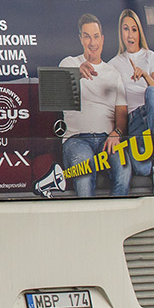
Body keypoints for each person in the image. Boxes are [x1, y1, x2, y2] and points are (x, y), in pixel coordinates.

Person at [60, 14, 130, 197]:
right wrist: (76, 74)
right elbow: (57, 85)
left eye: (96, 36)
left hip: (107, 140)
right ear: (80, 39)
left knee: (124, 169)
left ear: (102, 39)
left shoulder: (113, 73)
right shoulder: (68, 63)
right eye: (87, 36)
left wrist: (118, 133)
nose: (93, 42)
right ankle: (86, 224)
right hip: (76, 140)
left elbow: (122, 113)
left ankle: (115, 221)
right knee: (85, 169)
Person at [109, 9, 154, 195]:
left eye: (134, 29)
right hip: (135, 121)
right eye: (126, 29)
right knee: (141, 168)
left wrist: (144, 75)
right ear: (121, 33)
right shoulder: (114, 64)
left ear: (139, 32)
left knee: (151, 92)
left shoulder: (149, 56)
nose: (130, 34)